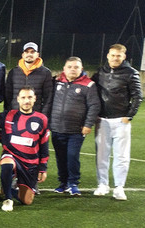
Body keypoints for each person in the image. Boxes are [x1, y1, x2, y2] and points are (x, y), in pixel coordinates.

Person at [91, 44, 142, 200]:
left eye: (118, 55)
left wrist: (129, 116)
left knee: (121, 155)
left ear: (123, 57)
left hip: (121, 121)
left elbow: (138, 96)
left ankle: (119, 187)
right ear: (108, 55)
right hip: (102, 120)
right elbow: (88, 85)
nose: (115, 58)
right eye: (112, 55)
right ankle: (103, 184)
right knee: (101, 155)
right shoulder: (101, 72)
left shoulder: (131, 73)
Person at [50, 57, 100, 196]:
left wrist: (88, 124)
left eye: (76, 67)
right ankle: (63, 182)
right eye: (70, 66)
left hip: (76, 130)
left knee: (72, 156)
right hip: (57, 128)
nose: (73, 69)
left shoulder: (89, 85)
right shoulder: (56, 82)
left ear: (81, 69)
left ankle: (73, 183)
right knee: (60, 157)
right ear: (64, 69)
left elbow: (94, 105)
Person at [0, 86, 50, 212]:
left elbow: (44, 145)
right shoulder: (8, 115)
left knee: (27, 201)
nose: (27, 101)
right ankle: (8, 199)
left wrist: (43, 168)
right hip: (11, 155)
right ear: (18, 99)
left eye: (30, 97)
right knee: (7, 165)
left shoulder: (42, 119)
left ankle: (7, 188)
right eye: (24, 97)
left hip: (30, 163)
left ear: (35, 99)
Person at [5, 42, 53, 116]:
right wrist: (8, 113)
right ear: (23, 55)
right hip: (16, 115)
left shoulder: (45, 73)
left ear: (37, 54)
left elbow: (48, 98)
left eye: (32, 52)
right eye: (26, 52)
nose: (29, 54)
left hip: (35, 116)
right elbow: (8, 96)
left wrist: (43, 116)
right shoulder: (13, 72)